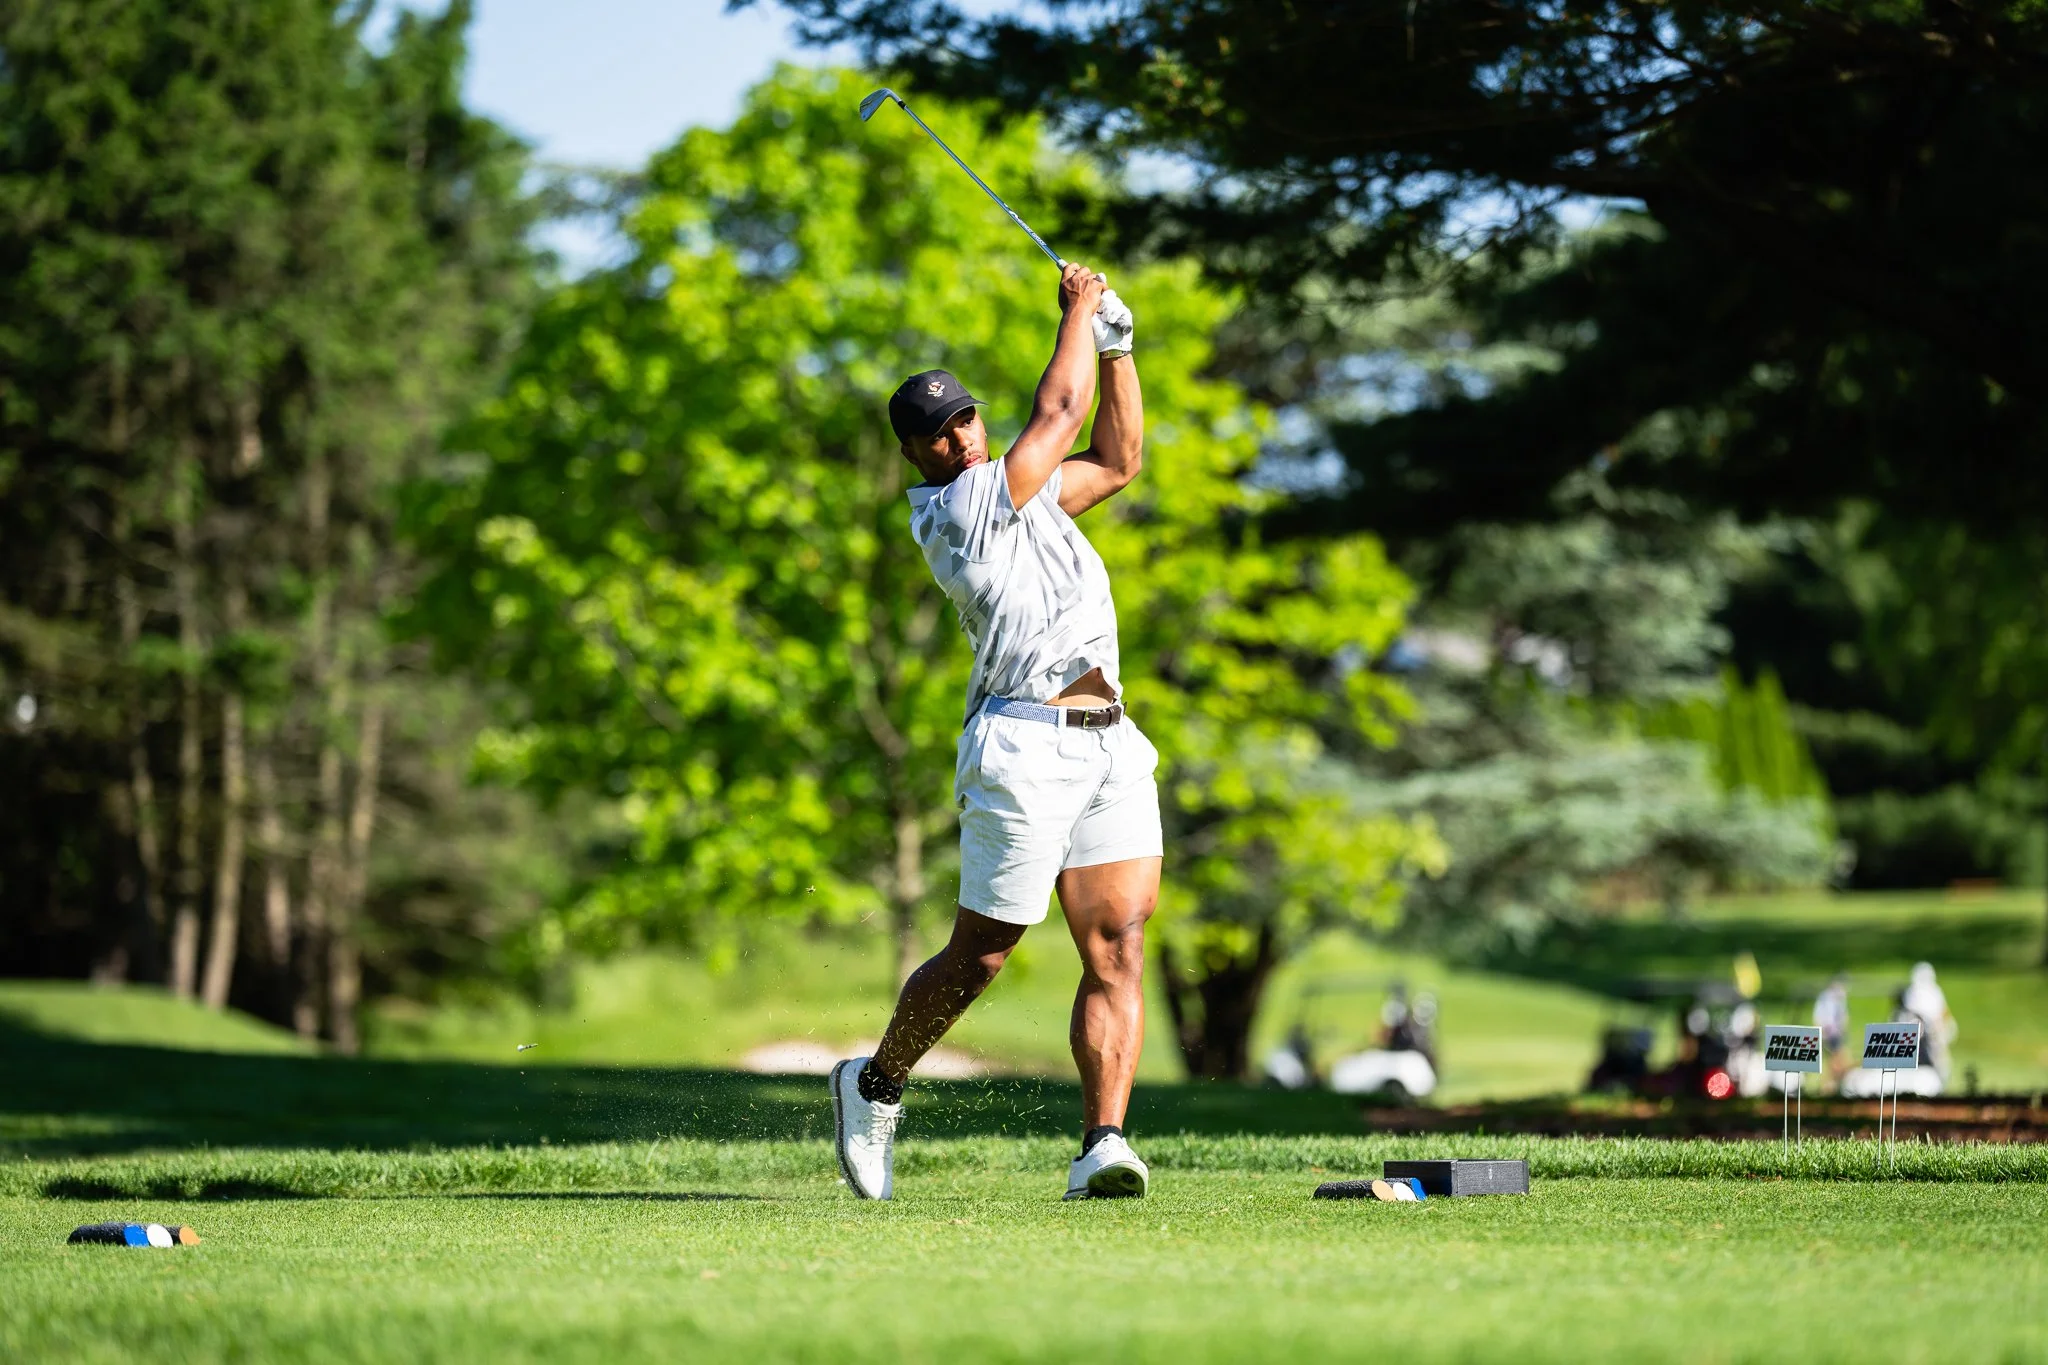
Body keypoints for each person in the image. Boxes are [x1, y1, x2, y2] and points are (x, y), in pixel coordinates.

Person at [831, 263, 1160, 1202]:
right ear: (916, 454)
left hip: (1109, 741)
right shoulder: (961, 510)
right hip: (1021, 748)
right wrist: (1082, 315)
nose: (958, 436)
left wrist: (1121, 350)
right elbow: (1059, 414)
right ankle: (876, 1082)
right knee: (982, 955)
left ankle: (1102, 1142)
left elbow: (1119, 457)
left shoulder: (1030, 496)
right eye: (937, 432)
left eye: (965, 418)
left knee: (1118, 945)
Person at [1813, 973, 1850, 1081]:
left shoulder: (1840, 997)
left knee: (1838, 1058)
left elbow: (1843, 1015)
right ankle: (1830, 1083)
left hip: (1836, 1033)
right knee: (1832, 1060)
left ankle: (1836, 1081)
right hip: (1827, 1032)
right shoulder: (1825, 997)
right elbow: (1818, 1016)